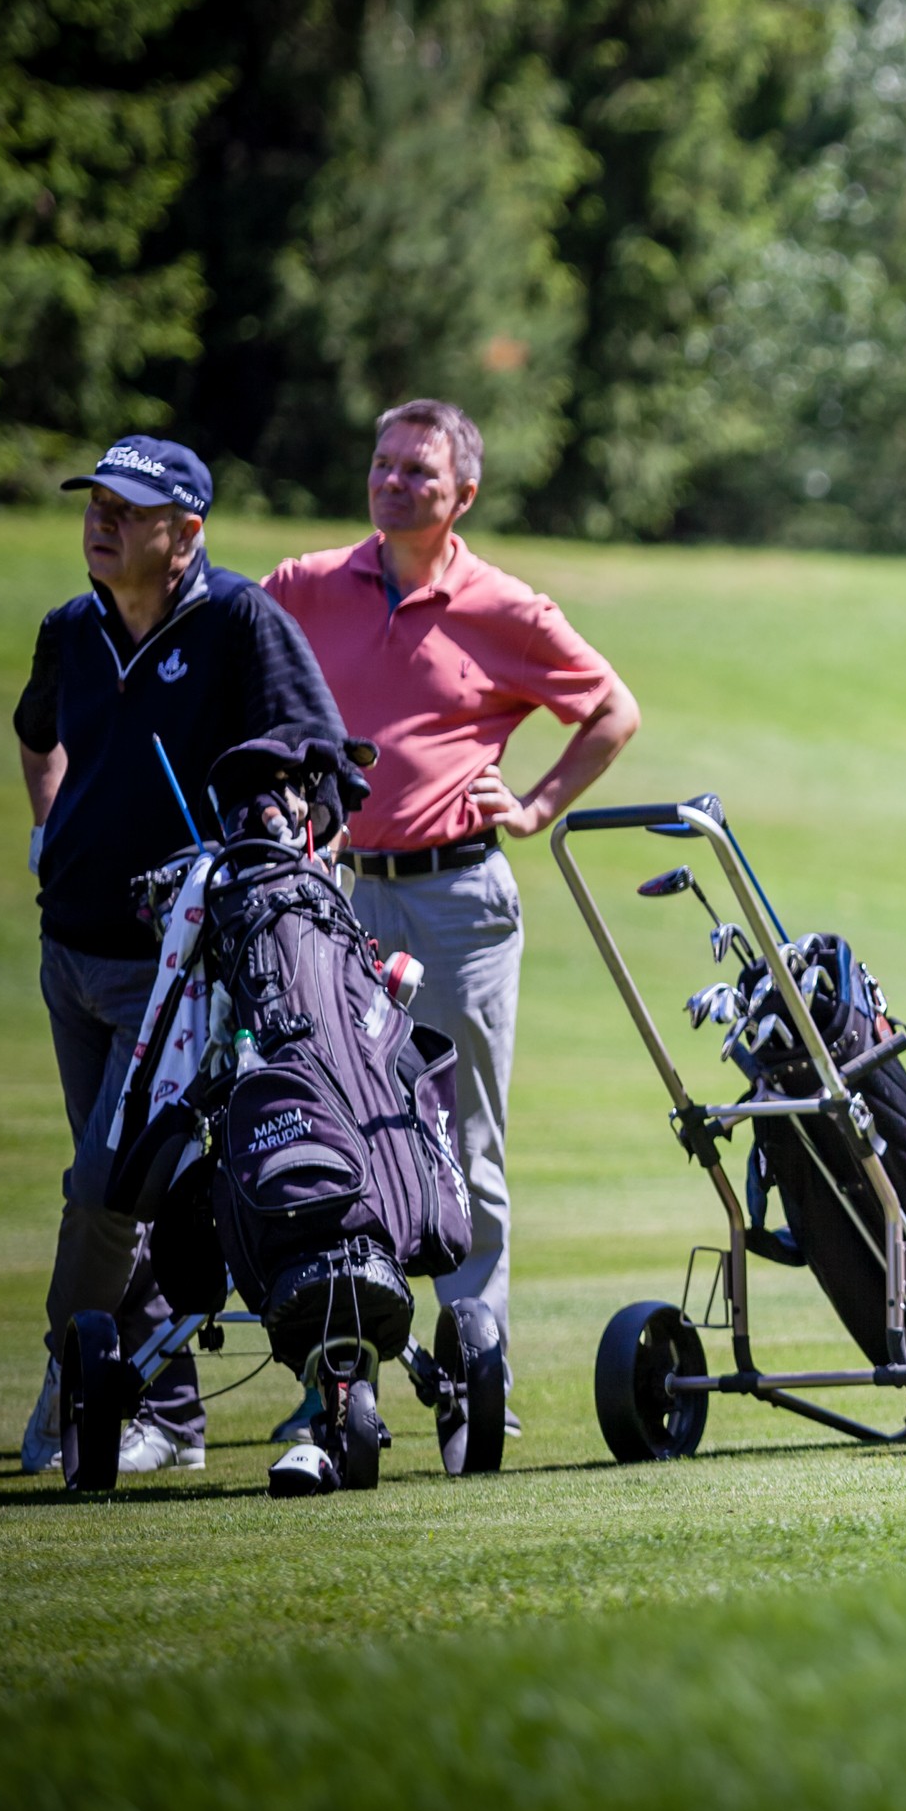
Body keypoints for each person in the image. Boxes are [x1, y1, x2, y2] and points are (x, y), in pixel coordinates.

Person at [262, 399, 640, 1446]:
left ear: (462, 494)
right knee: (340, 1134)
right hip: (337, 900)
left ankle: (477, 1384)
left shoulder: (504, 608)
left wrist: (537, 805)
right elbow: (243, 679)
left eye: (419, 473)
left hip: (457, 902)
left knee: (463, 1140)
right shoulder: (302, 586)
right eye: (383, 465)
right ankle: (340, 1377)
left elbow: (612, 708)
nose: (393, 484)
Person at [16, 436, 348, 1474]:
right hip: (69, 949)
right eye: (95, 502)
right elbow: (38, 735)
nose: (100, 520)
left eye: (129, 508)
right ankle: (165, 1416)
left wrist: (279, 855)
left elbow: (323, 765)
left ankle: (72, 1390)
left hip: (180, 963)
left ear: (187, 532)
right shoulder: (72, 629)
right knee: (119, 1189)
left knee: (107, 1188)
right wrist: (48, 829)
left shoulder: (240, 620)